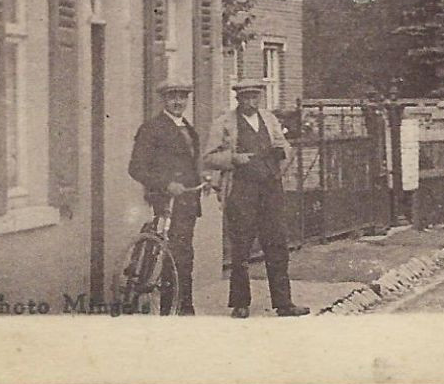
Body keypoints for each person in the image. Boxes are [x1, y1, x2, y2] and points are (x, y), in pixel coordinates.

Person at [204, 77, 309, 318]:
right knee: (241, 248)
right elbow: (208, 157)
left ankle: (284, 303)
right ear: (238, 98)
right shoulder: (224, 123)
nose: (250, 100)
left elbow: (286, 146)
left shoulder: (269, 119)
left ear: (259, 97)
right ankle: (240, 304)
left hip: (270, 191)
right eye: (245, 96)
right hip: (241, 191)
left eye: (254, 96)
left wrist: (281, 154)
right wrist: (232, 158)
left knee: (277, 246)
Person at [127, 78, 205, 315]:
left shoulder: (188, 128)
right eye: (173, 97)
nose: (178, 102)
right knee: (174, 252)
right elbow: (136, 168)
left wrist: (204, 180)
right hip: (166, 199)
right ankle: (177, 307)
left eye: (182, 97)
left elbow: (191, 164)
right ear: (164, 100)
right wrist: (166, 184)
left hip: (188, 200)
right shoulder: (152, 128)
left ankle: (182, 305)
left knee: (184, 252)